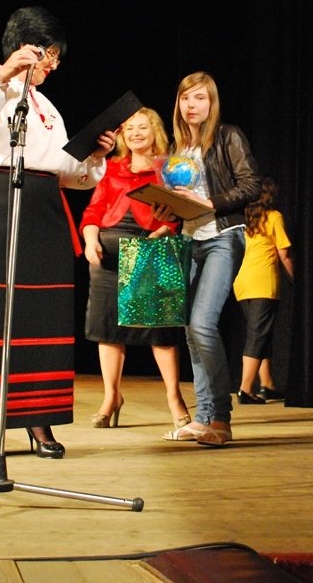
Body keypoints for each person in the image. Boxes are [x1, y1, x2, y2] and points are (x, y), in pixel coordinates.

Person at [0, 6, 116, 461]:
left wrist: (94, 155)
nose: (53, 64)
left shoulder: (47, 108)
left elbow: (68, 171)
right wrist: (2, 75)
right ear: (25, 48)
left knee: (40, 311)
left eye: (56, 57)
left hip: (42, 206)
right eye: (49, 54)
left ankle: (38, 416)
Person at [156, 71, 261, 447]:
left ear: (211, 103)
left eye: (199, 98)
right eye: (185, 98)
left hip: (223, 237)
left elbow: (251, 184)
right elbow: (179, 199)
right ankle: (202, 418)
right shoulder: (178, 148)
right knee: (190, 328)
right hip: (190, 239)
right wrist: (165, 207)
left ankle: (221, 418)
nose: (191, 105)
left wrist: (209, 202)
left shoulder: (228, 136)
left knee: (202, 324)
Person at [79, 107, 191, 430]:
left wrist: (162, 232)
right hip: (108, 257)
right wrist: (90, 240)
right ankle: (111, 397)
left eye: (142, 127)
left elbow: (180, 214)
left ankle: (175, 399)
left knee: (160, 331)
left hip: (150, 251)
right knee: (107, 330)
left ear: (155, 131)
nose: (135, 133)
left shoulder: (169, 170)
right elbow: (93, 212)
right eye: (129, 129)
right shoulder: (112, 169)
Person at [232, 177, 295, 404]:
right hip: (263, 282)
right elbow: (284, 253)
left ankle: (267, 384)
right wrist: (296, 279)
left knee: (261, 333)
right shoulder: (274, 217)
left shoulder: (247, 220)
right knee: (258, 336)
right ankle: (246, 389)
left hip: (242, 283)